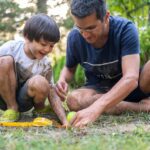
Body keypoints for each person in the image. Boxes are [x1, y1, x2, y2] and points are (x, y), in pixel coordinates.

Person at [55, 0, 150, 128]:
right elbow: (69, 68)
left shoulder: (125, 29)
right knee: (73, 100)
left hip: (133, 88)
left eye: (91, 28)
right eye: (80, 28)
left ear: (106, 17)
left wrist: (95, 108)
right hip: (98, 90)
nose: (85, 35)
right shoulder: (74, 37)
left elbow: (131, 79)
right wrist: (62, 80)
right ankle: (142, 107)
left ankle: (113, 104)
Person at [0, 13, 68, 125]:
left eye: (51, 46)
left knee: (41, 81)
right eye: (43, 44)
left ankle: (40, 110)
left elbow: (51, 92)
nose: (47, 49)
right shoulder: (11, 48)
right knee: (3, 61)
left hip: (25, 101)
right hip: (3, 98)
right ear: (27, 37)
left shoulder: (45, 64)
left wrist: (64, 121)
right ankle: (12, 109)